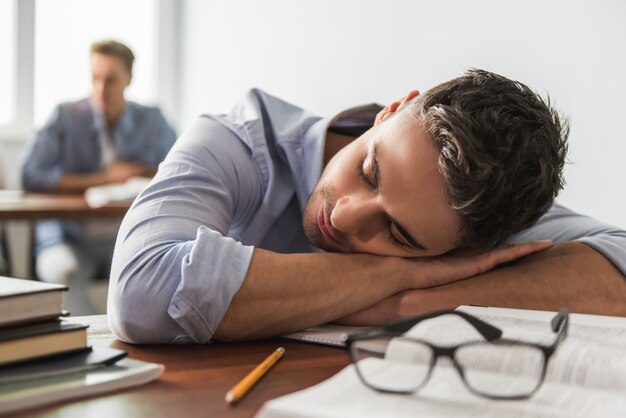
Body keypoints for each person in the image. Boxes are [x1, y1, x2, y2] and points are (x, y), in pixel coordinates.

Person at [108, 69, 626, 344]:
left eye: (399, 236)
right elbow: (140, 295)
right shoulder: (240, 139)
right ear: (393, 110)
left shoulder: (482, 209)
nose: (346, 215)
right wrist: (397, 274)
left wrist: (418, 303)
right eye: (369, 170)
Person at [22, 40, 176, 314]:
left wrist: (141, 172)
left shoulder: (152, 120)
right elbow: (32, 175)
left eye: (111, 80)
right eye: (95, 78)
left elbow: (179, 169)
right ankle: (91, 347)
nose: (101, 90)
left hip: (126, 235)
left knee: (163, 271)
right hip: (68, 237)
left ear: (129, 78)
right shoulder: (65, 116)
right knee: (63, 273)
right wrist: (104, 178)